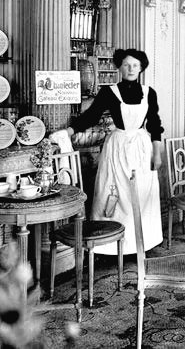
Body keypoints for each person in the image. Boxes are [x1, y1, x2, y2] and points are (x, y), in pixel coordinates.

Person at [53, 48, 164, 255]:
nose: (131, 69)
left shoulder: (149, 92)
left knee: (140, 194)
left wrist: (157, 152)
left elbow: (155, 124)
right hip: (117, 148)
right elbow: (92, 116)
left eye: (135, 65)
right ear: (119, 67)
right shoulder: (109, 92)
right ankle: (111, 246)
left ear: (141, 68)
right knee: (114, 192)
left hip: (141, 148)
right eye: (126, 65)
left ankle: (141, 243)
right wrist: (68, 131)